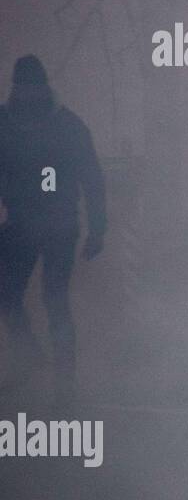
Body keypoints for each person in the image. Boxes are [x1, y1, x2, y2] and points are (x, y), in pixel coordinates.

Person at [0, 55, 106, 388]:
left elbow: (92, 178)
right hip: (20, 221)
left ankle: (64, 378)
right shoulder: (4, 122)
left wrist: (97, 229)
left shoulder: (67, 125)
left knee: (55, 298)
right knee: (6, 295)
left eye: (33, 87)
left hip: (59, 224)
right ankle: (27, 357)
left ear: (43, 87)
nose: (27, 94)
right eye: (22, 87)